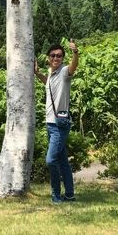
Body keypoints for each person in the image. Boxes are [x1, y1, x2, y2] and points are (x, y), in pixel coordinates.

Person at [35, 40, 79, 203]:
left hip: (59, 125)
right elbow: (48, 85)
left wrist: (75, 53)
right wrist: (38, 73)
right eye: (53, 55)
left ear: (62, 58)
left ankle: (55, 193)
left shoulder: (65, 72)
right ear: (48, 58)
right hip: (50, 123)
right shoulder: (52, 73)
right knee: (62, 161)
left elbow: (73, 66)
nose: (56, 58)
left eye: (59, 56)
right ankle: (69, 194)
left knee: (51, 160)